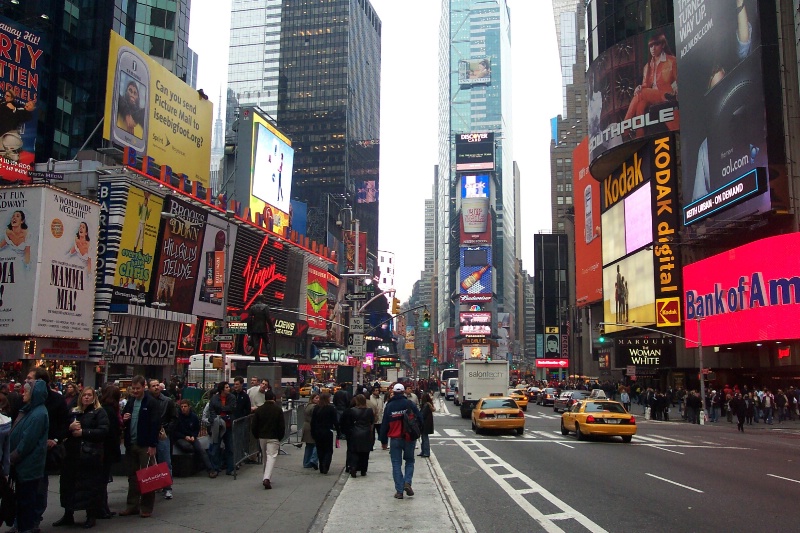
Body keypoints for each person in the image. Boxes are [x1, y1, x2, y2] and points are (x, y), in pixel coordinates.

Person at [53, 387, 109, 529]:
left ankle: (91, 516)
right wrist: (70, 428)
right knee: (68, 485)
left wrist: (84, 432)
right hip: (71, 455)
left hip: (90, 455)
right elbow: (62, 430)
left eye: (89, 395)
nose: (86, 398)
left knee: (89, 487)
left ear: (94, 397)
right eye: (84, 395)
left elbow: (103, 431)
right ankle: (68, 514)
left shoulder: (99, 412)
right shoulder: (73, 411)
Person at [27, 366, 69, 531]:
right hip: (27, 449)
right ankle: (22, 519)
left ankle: (35, 518)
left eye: (30, 378)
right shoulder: (26, 399)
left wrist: (55, 439)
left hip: (44, 450)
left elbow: (64, 423)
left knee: (39, 486)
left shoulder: (56, 400)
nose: (26, 381)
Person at [10, 379, 48, 532]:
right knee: (23, 500)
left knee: (26, 501)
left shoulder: (37, 414)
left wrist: (11, 458)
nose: (23, 394)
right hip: (24, 466)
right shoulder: (30, 410)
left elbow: (27, 443)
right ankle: (21, 526)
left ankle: (26, 528)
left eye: (26, 391)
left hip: (28, 466)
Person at [119, 375, 159, 519]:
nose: (135, 391)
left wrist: (152, 444)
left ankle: (146, 507)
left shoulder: (151, 402)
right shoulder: (130, 402)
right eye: (133, 388)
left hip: (145, 445)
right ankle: (132, 505)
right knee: (133, 477)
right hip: (132, 444)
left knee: (147, 477)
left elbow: (155, 424)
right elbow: (124, 419)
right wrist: (124, 419)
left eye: (137, 388)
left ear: (144, 387)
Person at [623, 32, 678, 138]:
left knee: (640, 94)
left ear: (662, 45)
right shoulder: (647, 66)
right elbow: (646, 85)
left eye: (656, 45)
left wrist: (676, 91)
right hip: (652, 96)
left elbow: (679, 80)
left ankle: (624, 130)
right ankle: (640, 137)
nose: (653, 48)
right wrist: (640, 87)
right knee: (640, 105)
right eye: (651, 46)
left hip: (666, 95)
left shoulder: (672, 61)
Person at [380, 384, 422, 500]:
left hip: (395, 438)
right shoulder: (409, 404)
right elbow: (420, 417)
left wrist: (383, 440)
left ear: (393, 392)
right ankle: (407, 482)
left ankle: (399, 491)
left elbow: (384, 424)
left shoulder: (389, 406)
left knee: (396, 463)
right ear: (403, 392)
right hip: (409, 438)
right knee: (409, 461)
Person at [172, 399, 217, 478]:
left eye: (185, 406)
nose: (183, 408)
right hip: (180, 438)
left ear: (189, 407)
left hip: (192, 437)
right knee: (186, 446)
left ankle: (211, 470)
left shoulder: (193, 417)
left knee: (201, 450)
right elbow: (175, 431)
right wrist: (184, 437)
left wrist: (193, 436)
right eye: (182, 407)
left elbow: (196, 429)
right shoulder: (178, 417)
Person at [148, 379, 177, 500]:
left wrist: (166, 430)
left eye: (157, 385)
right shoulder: (146, 401)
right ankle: (153, 485)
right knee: (149, 461)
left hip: (162, 433)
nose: (156, 388)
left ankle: (167, 487)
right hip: (149, 434)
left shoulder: (167, 401)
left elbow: (174, 418)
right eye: (153, 386)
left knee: (165, 460)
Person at [251, 390, 285, 489]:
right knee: (271, 456)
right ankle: (267, 478)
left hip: (262, 436)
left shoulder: (259, 410)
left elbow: (254, 425)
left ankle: (266, 476)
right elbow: (281, 426)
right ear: (273, 398)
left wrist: (256, 435)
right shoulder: (278, 410)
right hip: (274, 436)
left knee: (265, 456)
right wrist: (280, 437)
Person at [98, 384, 121, 520]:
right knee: (102, 480)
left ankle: (103, 507)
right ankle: (101, 507)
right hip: (106, 451)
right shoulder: (110, 411)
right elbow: (112, 433)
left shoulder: (104, 409)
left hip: (104, 450)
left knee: (103, 479)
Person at [339, 394, 374, 478]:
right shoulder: (369, 410)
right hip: (366, 433)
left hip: (355, 432)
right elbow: (372, 421)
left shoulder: (352, 410)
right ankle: (363, 470)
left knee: (354, 451)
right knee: (365, 453)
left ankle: (353, 467)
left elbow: (349, 423)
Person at [207, 382, 235, 475]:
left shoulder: (231, 397)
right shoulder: (214, 399)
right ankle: (215, 468)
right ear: (222, 389)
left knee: (230, 447)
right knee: (215, 446)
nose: (229, 388)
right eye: (227, 387)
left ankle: (230, 468)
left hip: (228, 426)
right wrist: (218, 417)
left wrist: (221, 410)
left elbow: (231, 408)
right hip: (217, 426)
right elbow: (212, 411)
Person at [309, 392, 338, 475]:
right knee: (328, 450)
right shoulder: (331, 408)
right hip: (327, 431)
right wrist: (339, 432)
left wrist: (312, 432)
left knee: (320, 449)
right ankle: (326, 465)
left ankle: (322, 466)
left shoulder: (316, 408)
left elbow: (313, 422)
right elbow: (335, 421)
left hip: (318, 432)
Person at [245, 296, 273, 361]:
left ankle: (257, 358)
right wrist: (272, 327)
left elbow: (249, 320)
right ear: (262, 299)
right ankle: (270, 358)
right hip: (263, 328)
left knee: (256, 344)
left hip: (255, 329)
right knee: (267, 343)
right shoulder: (266, 307)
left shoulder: (252, 308)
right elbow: (268, 319)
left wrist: (249, 330)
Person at [301, 393, 319, 469]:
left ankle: (306, 462)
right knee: (317, 444)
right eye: (316, 398)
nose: (318, 400)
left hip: (306, 426)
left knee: (309, 446)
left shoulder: (307, 406)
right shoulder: (314, 407)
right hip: (312, 427)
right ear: (312, 399)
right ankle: (313, 459)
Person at [418, 393, 435, 458]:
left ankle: (426, 452)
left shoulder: (425, 406)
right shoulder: (428, 405)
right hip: (427, 424)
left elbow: (422, 415)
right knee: (424, 438)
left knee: (424, 438)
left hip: (425, 424)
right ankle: (424, 451)